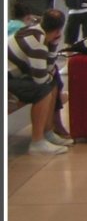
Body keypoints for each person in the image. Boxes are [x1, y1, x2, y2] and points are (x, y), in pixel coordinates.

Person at [8, 9, 74, 155]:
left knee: (52, 83)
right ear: (58, 30)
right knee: (43, 89)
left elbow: (48, 69)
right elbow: (40, 78)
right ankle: (37, 141)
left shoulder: (34, 32)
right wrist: (48, 74)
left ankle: (48, 132)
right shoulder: (37, 43)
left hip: (11, 78)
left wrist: (54, 44)